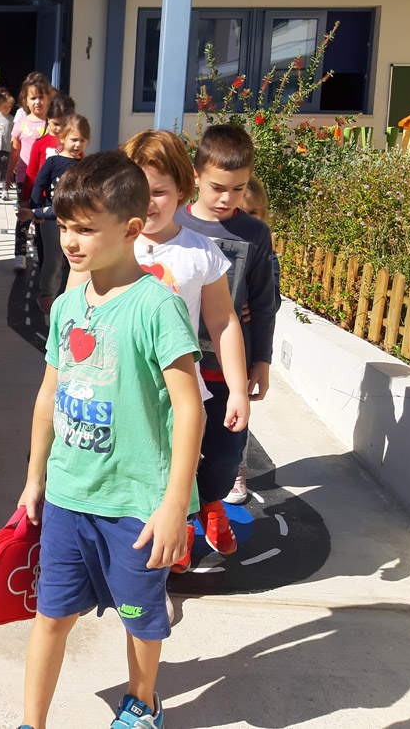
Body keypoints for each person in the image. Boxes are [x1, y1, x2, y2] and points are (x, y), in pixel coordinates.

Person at [16, 151, 204, 729]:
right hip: (69, 496)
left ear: (130, 229)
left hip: (136, 505)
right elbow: (48, 396)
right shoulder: (67, 307)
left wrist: (174, 505)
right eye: (64, 226)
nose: (70, 241)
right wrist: (34, 479)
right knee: (51, 614)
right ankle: (31, 723)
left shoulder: (157, 306)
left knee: (139, 618)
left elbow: (189, 408)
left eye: (86, 229)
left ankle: (142, 703)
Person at [122, 130, 251, 570]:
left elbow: (223, 321)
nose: (146, 203)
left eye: (158, 192)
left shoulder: (201, 253)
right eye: (136, 190)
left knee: (189, 470)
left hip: (180, 395)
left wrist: (237, 389)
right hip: (121, 389)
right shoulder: (114, 243)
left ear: (182, 188)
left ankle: (179, 534)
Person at [173, 124, 277, 556]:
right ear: (196, 175)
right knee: (174, 449)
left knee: (225, 453)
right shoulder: (172, 222)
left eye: (238, 188)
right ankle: (180, 523)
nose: (227, 198)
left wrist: (262, 361)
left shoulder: (254, 234)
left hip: (226, 367)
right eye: (217, 187)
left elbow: (264, 302)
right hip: (176, 365)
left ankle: (211, 501)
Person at [224, 174, 281, 506]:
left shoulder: (265, 253)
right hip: (210, 345)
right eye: (241, 212)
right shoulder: (218, 245)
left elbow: (271, 301)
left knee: (238, 410)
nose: (247, 220)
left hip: (243, 347)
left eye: (254, 213)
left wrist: (263, 360)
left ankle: (237, 469)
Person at [20, 113, 90, 313]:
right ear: (63, 138)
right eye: (73, 139)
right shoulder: (53, 162)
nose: (77, 144)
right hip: (52, 217)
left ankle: (70, 295)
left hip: (76, 220)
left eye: (82, 140)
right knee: (53, 260)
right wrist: (36, 211)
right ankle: (48, 295)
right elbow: (39, 185)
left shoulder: (84, 166)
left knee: (75, 260)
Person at [7, 75, 51, 271]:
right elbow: (15, 149)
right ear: (25, 100)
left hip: (47, 179)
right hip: (25, 178)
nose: (37, 102)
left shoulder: (51, 124)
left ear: (48, 99)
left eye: (41, 97)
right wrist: (9, 172)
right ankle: (20, 253)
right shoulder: (21, 123)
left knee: (43, 216)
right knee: (24, 214)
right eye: (33, 98)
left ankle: (42, 253)